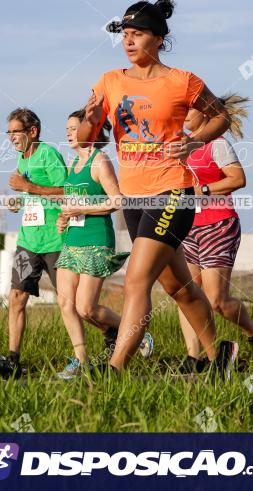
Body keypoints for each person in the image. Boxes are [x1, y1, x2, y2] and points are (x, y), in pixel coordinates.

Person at [77, 0, 239, 377]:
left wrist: (196, 142)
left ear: (159, 39)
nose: (129, 41)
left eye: (138, 34)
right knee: (179, 288)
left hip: (172, 192)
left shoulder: (181, 80)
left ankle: (115, 368)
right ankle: (221, 355)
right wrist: (90, 118)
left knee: (136, 280)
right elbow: (88, 138)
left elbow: (222, 118)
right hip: (134, 197)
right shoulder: (109, 81)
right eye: (125, 35)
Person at [54, 110, 154, 380]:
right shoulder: (74, 163)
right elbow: (72, 204)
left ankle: (133, 332)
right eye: (68, 128)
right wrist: (64, 218)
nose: (69, 133)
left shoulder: (100, 162)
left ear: (92, 132)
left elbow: (117, 201)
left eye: (74, 128)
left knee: (85, 307)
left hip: (96, 240)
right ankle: (80, 360)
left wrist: (81, 208)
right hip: (71, 240)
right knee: (65, 303)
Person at [176, 98, 253, 374]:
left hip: (218, 224)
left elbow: (238, 179)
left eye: (189, 111)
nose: (183, 117)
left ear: (205, 115)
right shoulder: (182, 146)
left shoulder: (217, 144)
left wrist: (202, 191)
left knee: (216, 300)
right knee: (186, 293)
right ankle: (195, 356)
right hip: (187, 226)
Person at [0, 108, 67, 378]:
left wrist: (28, 188)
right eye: (8, 132)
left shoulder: (48, 155)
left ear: (32, 131)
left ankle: (116, 334)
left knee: (72, 303)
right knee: (16, 297)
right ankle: (13, 360)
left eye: (16, 131)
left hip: (56, 240)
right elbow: (29, 194)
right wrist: (18, 202)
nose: (11, 137)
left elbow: (66, 193)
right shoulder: (22, 159)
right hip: (28, 241)